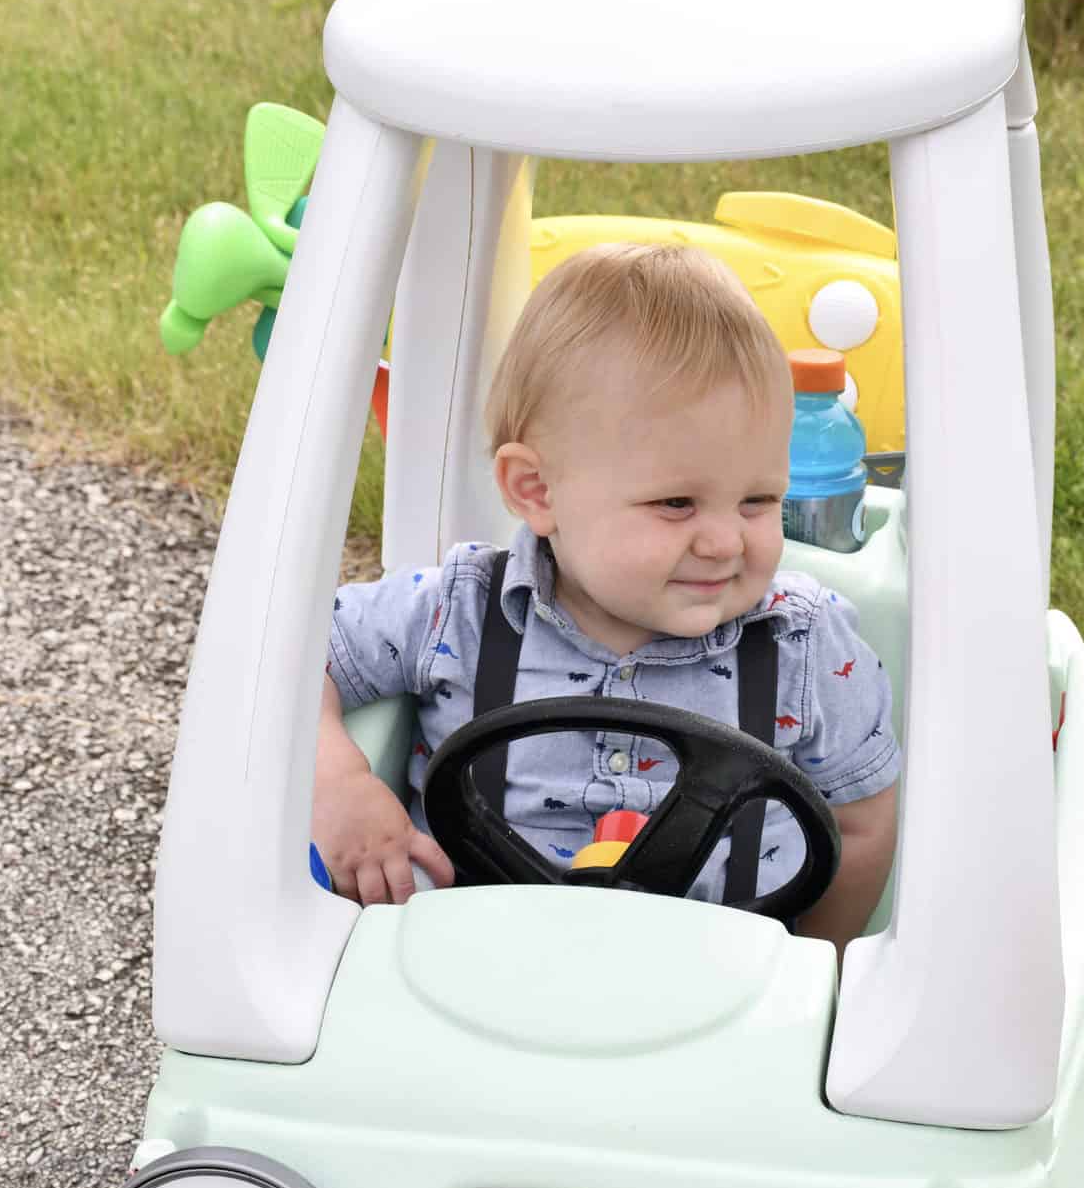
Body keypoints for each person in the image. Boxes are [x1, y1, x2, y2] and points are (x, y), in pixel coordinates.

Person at [312, 243, 898, 957]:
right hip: (468, 980)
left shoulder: (805, 647)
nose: (724, 542)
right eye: (676, 503)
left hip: (718, 1002)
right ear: (538, 491)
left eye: (757, 499)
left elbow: (864, 822)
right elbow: (288, 654)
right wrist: (337, 783)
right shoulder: (456, 612)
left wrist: (816, 967)